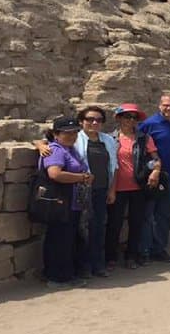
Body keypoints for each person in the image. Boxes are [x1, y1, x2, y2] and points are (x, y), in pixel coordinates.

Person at [34, 106, 117, 278]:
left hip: (86, 195)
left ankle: (89, 267)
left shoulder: (103, 141)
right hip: (64, 199)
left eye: (99, 120)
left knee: (90, 231)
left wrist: (111, 189)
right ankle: (66, 273)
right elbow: (54, 171)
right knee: (66, 236)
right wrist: (82, 178)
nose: (94, 123)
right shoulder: (62, 146)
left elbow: (113, 167)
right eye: (90, 119)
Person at [40, 116, 93, 288]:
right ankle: (56, 278)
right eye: (67, 133)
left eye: (74, 133)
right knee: (59, 241)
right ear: (56, 134)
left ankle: (66, 275)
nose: (72, 136)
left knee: (68, 240)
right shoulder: (56, 150)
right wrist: (82, 177)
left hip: (72, 202)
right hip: (61, 202)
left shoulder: (69, 149)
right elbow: (55, 173)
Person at [107, 103, 161, 270]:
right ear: (119, 118)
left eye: (133, 117)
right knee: (114, 224)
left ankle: (131, 256)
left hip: (138, 187)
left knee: (136, 223)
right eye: (126, 116)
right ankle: (110, 257)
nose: (130, 120)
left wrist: (155, 171)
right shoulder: (109, 138)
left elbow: (156, 159)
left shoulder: (144, 138)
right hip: (116, 187)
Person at [138, 94, 170, 263]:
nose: (169, 108)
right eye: (165, 105)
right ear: (159, 106)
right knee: (147, 214)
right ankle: (143, 250)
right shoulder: (149, 124)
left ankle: (159, 249)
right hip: (150, 176)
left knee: (164, 214)